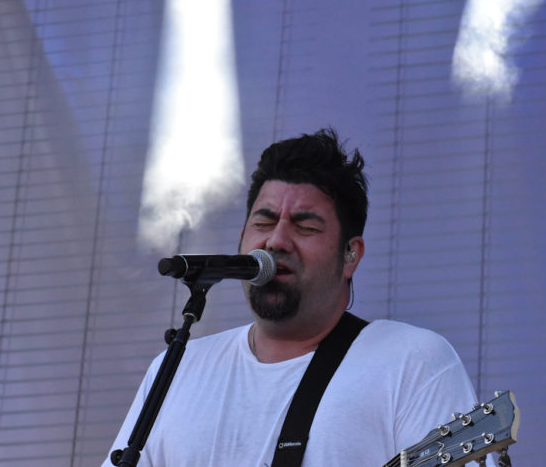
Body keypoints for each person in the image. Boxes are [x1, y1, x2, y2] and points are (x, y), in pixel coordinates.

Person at [103, 128, 487, 466]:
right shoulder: (177, 369)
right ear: (242, 240)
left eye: (305, 227)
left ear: (350, 254)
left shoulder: (411, 361)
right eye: (264, 222)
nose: (276, 241)